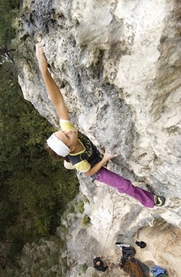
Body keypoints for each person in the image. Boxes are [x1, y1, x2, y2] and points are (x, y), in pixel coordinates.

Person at [35, 41, 165, 208]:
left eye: (63, 131)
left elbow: (58, 102)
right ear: (71, 149)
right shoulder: (79, 161)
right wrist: (105, 158)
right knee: (124, 184)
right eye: (67, 136)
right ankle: (150, 201)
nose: (69, 131)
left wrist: (44, 70)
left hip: (88, 154)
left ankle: (66, 161)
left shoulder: (69, 133)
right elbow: (89, 171)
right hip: (93, 165)